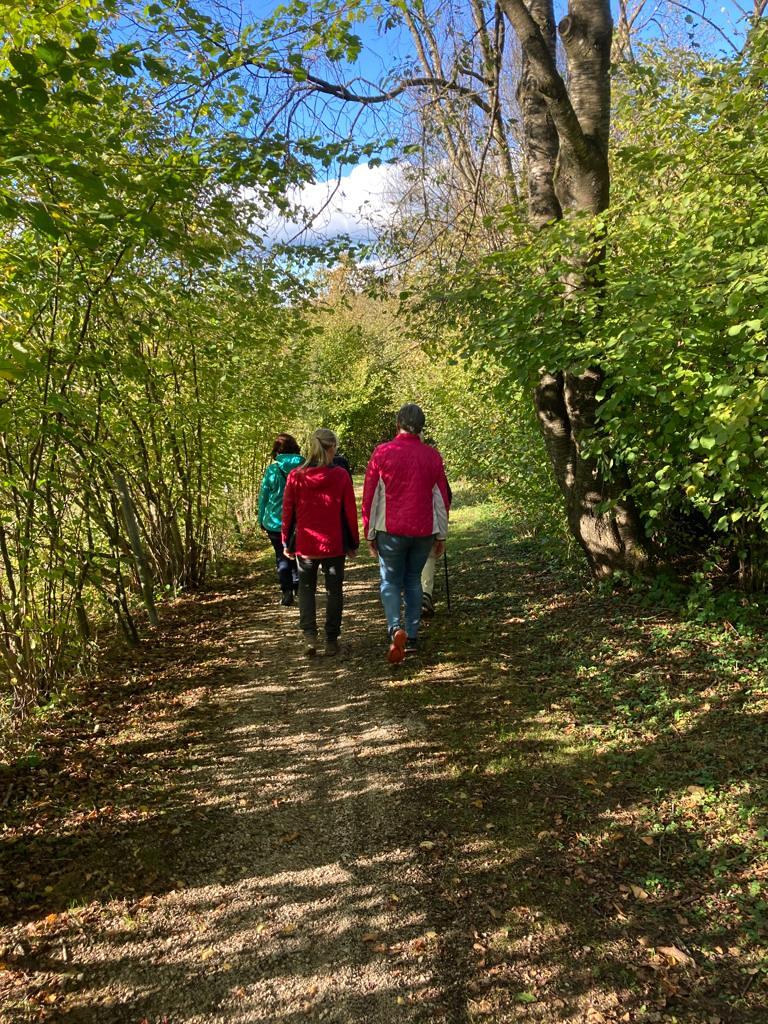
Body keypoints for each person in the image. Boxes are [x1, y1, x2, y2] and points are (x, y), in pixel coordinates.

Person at [362, 404, 450, 662]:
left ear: (397, 423)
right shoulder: (432, 456)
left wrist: (370, 533)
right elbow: (441, 499)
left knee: (390, 581)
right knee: (413, 580)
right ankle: (411, 636)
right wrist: (441, 534)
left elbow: (370, 497)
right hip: (423, 530)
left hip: (391, 530)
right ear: (422, 426)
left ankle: (394, 629)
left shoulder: (382, 453)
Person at [282, 428, 359, 657]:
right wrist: (353, 542)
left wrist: (286, 541)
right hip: (333, 543)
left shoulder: (296, 476)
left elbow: (288, 512)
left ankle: (310, 638)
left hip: (306, 544)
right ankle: (331, 640)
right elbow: (349, 512)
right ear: (332, 447)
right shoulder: (340, 476)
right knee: (334, 591)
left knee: (306, 590)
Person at [258, 433, 303, 605]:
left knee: (281, 556)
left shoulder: (273, 469)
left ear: (277, 450)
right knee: (297, 553)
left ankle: (287, 591)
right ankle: (298, 584)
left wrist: (261, 518)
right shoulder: (304, 466)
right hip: (299, 520)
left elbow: (264, 496)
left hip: (275, 521)